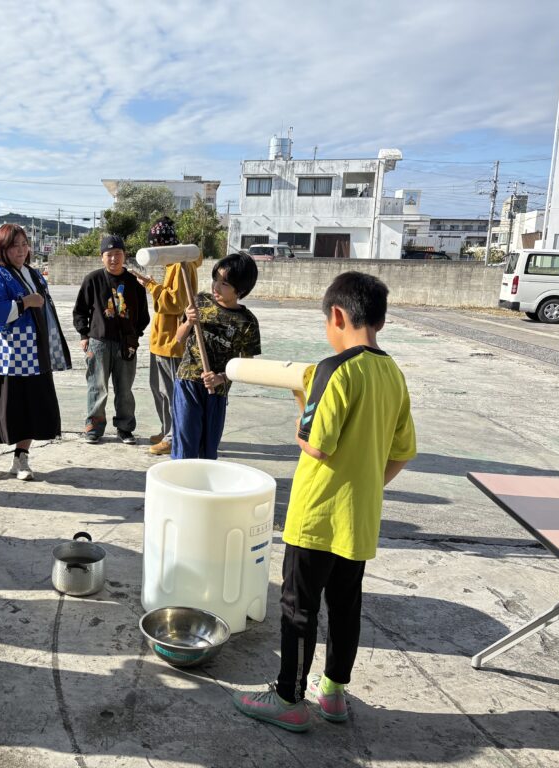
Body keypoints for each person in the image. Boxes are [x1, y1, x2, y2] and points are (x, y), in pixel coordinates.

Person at [233, 271, 417, 733]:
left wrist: (302, 398)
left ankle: (289, 698)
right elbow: (402, 452)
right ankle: (333, 693)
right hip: (358, 517)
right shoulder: (392, 373)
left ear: (337, 315)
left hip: (316, 516)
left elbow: (316, 444)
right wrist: (367, 485)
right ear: (380, 319)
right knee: (346, 604)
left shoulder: (333, 370)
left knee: (299, 607)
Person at [0, 223, 71, 480]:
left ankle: (21, 458)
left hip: (34, 353)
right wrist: (26, 302)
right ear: (2, 248)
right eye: (14, 245)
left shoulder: (33, 273)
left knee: (32, 406)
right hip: (5, 356)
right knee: (0, 407)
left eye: (24, 244)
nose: (20, 250)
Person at [172, 253, 261, 460]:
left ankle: (203, 487)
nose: (216, 287)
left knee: (208, 449)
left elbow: (246, 366)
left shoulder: (247, 322)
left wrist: (221, 377)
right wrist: (188, 322)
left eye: (224, 283)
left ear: (241, 290)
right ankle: (182, 485)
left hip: (217, 391)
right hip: (188, 381)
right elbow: (178, 338)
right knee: (185, 445)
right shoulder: (200, 302)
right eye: (215, 279)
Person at [72, 234, 149, 445]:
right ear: (101, 257)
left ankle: (125, 428)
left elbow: (143, 316)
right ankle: (94, 428)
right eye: (109, 255)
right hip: (98, 342)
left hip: (126, 344)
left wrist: (135, 337)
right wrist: (83, 335)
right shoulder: (93, 279)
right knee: (97, 387)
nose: (114, 259)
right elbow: (80, 310)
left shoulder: (135, 283)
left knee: (124, 389)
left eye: (118, 254)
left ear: (125, 256)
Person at [135, 217, 199, 456]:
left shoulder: (182, 264)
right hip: (161, 339)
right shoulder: (172, 264)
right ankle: (167, 430)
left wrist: (150, 286)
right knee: (159, 389)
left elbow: (175, 303)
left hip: (174, 341)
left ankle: (174, 437)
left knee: (173, 392)